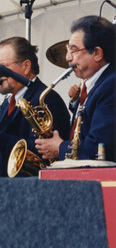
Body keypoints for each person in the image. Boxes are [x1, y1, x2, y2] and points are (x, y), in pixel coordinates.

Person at [0, 36, 71, 177]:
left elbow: (44, 149)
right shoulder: (8, 101)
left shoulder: (46, 99)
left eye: (3, 67)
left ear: (26, 66)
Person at [35, 16, 115, 161]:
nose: (67, 58)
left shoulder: (111, 85)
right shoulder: (96, 84)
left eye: (73, 50)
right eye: (68, 50)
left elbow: (99, 148)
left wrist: (59, 147)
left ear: (97, 53)